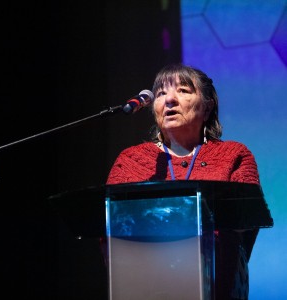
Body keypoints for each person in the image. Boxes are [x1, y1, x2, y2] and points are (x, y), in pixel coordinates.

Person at [106, 63, 260, 300]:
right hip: (144, 286)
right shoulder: (130, 160)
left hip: (218, 286)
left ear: (208, 107)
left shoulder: (234, 155)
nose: (170, 100)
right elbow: (111, 227)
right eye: (161, 93)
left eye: (183, 91)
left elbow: (246, 219)